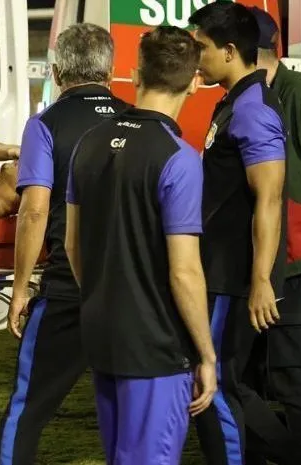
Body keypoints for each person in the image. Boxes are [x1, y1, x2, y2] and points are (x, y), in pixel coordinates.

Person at [65, 25, 217, 465]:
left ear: (134, 75)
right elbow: (184, 271)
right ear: (194, 82)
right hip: (155, 346)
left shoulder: (88, 144)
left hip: (102, 333)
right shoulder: (180, 159)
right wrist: (206, 355)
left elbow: (73, 246)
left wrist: (100, 299)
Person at [0, 23, 130, 465]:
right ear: (111, 71)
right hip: (131, 289)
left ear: (55, 71)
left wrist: (18, 289)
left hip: (69, 287)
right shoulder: (141, 121)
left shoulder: (45, 125)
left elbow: (34, 210)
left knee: (28, 408)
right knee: (130, 415)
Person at [188, 3, 300, 465]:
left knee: (217, 386)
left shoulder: (252, 110)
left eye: (202, 49)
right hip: (222, 271)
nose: (195, 59)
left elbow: (270, 200)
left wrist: (259, 281)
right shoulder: (235, 101)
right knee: (219, 384)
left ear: (231, 51)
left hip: (233, 277)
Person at [248, 6, 301, 462]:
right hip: (256, 265)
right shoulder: (243, 100)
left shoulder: (298, 95)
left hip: (296, 268)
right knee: (245, 378)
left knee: (294, 381)